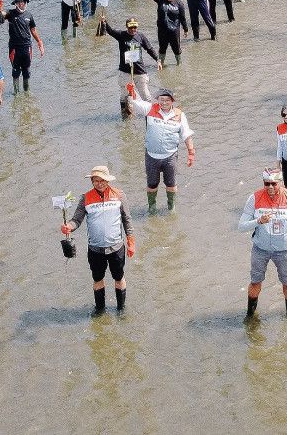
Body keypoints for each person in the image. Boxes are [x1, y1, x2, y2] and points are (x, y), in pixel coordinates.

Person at [238, 169, 287, 320]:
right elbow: (241, 226)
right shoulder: (254, 198)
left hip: (284, 251)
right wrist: (258, 221)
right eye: (267, 184)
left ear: (280, 183)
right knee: (255, 283)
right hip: (260, 249)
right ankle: (250, 316)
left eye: (274, 184)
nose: (270, 187)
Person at [62, 166, 135, 315]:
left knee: (119, 278)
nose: (99, 183)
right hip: (95, 249)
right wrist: (68, 226)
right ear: (92, 181)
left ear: (108, 180)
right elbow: (77, 220)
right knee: (97, 279)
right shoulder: (85, 198)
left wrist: (131, 243)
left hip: (116, 247)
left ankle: (121, 310)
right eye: (96, 181)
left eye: (102, 181)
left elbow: (127, 220)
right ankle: (100, 310)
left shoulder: (119, 195)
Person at [126, 86, 195, 213]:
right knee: (152, 185)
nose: (164, 102)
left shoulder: (179, 115)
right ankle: (152, 208)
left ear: (172, 101)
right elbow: (136, 103)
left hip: (170, 156)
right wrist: (132, 91)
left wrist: (191, 153)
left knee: (171, 184)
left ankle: (171, 207)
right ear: (158, 100)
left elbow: (186, 134)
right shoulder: (150, 109)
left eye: (167, 100)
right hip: (152, 156)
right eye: (161, 99)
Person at [102, 16, 159, 116]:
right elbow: (110, 31)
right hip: (125, 71)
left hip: (140, 71)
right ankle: (125, 116)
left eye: (135, 27)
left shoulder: (141, 36)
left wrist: (157, 60)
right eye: (130, 27)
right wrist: (104, 21)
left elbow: (149, 48)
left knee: (146, 96)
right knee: (124, 96)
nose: (133, 30)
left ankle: (150, 116)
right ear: (126, 27)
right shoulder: (121, 35)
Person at [0, 0, 44, 93]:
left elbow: (33, 30)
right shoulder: (10, 13)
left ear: (25, 3)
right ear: (16, 4)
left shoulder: (29, 15)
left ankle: (26, 93)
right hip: (14, 48)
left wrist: (40, 42)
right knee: (16, 71)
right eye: (19, 2)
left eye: (23, 2)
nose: (21, 4)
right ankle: (16, 93)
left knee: (26, 71)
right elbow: (1, 17)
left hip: (27, 47)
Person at [145, 0, 189, 65]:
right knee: (162, 48)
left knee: (176, 49)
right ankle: (161, 64)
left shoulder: (179, 4)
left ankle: (179, 64)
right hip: (162, 30)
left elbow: (182, 18)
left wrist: (185, 29)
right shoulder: (160, 0)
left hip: (174, 31)